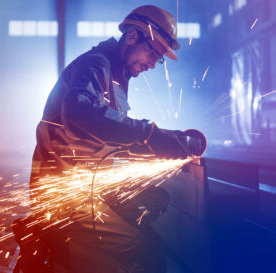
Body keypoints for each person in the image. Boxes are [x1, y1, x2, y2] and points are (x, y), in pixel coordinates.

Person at [16, 5, 197, 273]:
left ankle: (54, 246)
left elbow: (108, 134)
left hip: (84, 184)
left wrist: (161, 147)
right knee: (145, 250)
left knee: (154, 200)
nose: (151, 64)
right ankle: (53, 246)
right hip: (67, 191)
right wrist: (148, 133)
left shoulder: (115, 75)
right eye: (152, 53)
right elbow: (80, 112)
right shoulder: (96, 64)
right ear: (133, 36)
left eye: (158, 59)